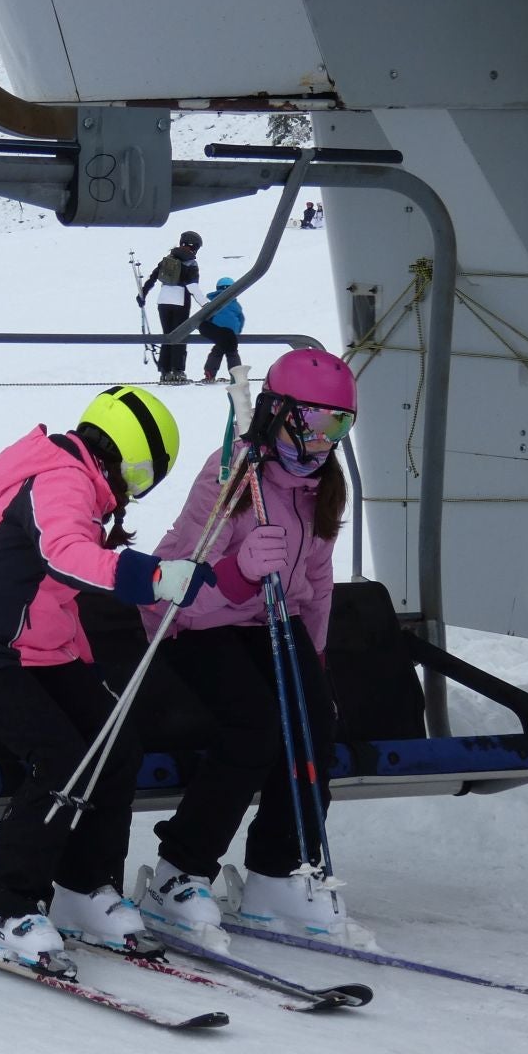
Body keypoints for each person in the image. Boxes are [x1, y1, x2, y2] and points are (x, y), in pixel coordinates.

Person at [0, 385, 232, 972]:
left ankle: (81, 888)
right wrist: (151, 577)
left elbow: (58, 599)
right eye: (143, 474)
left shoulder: (80, 485)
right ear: (122, 452)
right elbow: (65, 555)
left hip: (42, 653)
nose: (136, 490)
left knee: (113, 749)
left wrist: (89, 673)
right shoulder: (58, 478)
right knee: (63, 758)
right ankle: (3, 906)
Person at [135, 349, 365, 950]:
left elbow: (316, 584)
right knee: (255, 725)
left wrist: (312, 657)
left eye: (336, 427)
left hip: (271, 626)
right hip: (199, 628)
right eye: (311, 423)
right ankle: (177, 874)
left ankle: (275, 872)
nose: (320, 443)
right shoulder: (230, 477)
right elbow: (165, 594)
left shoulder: (321, 490)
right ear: (278, 414)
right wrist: (234, 572)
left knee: (314, 724)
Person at [138, 230, 201, 385]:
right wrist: (206, 304)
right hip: (181, 301)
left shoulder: (168, 259)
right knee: (180, 335)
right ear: (195, 246)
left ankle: (164, 371)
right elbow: (193, 286)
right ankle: (177, 371)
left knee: (167, 335)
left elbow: (153, 278)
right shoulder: (191, 263)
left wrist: (142, 295)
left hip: (163, 301)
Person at [199, 277, 244, 384]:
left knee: (216, 352)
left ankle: (210, 373)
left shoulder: (214, 303)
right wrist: (237, 331)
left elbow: (206, 317)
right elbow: (241, 318)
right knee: (232, 353)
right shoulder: (235, 304)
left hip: (218, 332)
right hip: (231, 333)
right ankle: (236, 374)